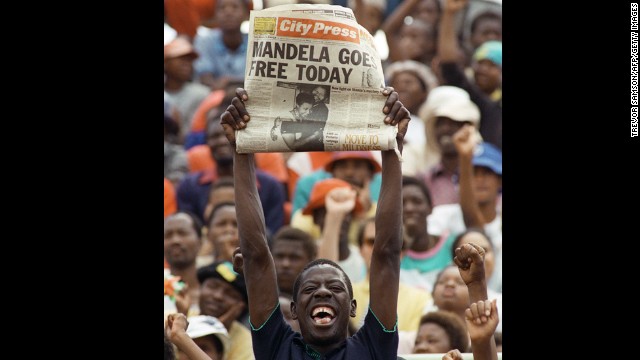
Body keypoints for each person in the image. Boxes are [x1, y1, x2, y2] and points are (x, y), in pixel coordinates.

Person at [220, 86, 410, 359]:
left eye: (335, 288)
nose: (322, 292)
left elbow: (387, 253)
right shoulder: (276, 347)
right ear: (294, 310)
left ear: (353, 307)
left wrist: (393, 147)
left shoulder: (373, 347)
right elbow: (257, 256)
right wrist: (242, 148)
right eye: (310, 289)